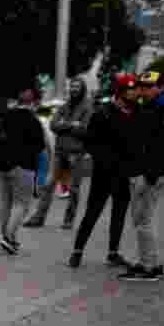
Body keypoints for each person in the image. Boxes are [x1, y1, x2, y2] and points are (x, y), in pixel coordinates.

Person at [68, 74, 142, 269]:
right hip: (104, 173)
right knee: (93, 212)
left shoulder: (137, 112)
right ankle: (77, 251)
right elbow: (90, 142)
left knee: (119, 213)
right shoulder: (103, 113)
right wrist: (105, 160)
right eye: (130, 90)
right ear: (120, 92)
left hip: (125, 174)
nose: (134, 93)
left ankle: (113, 253)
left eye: (135, 89)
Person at [119, 71, 164, 282]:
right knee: (141, 220)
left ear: (160, 87)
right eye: (141, 86)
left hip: (151, 173)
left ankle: (149, 267)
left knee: (144, 220)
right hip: (145, 171)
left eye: (148, 86)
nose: (143, 90)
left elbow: (163, 147)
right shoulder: (150, 107)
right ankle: (148, 262)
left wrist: (150, 175)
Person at [25, 78, 93, 229]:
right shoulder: (64, 107)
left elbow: (85, 129)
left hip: (76, 152)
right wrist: (72, 125)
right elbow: (53, 125)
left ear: (83, 89)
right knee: (48, 185)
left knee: (74, 189)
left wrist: (65, 125)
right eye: (72, 86)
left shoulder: (87, 108)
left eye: (77, 87)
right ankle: (39, 217)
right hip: (60, 151)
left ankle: (69, 220)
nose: (74, 89)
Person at [0, 88, 46, 255]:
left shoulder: (6, 116)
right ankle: (9, 238)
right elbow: (40, 145)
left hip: (2, 165)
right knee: (21, 204)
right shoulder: (32, 120)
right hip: (23, 166)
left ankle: (6, 236)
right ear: (32, 103)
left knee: (5, 203)